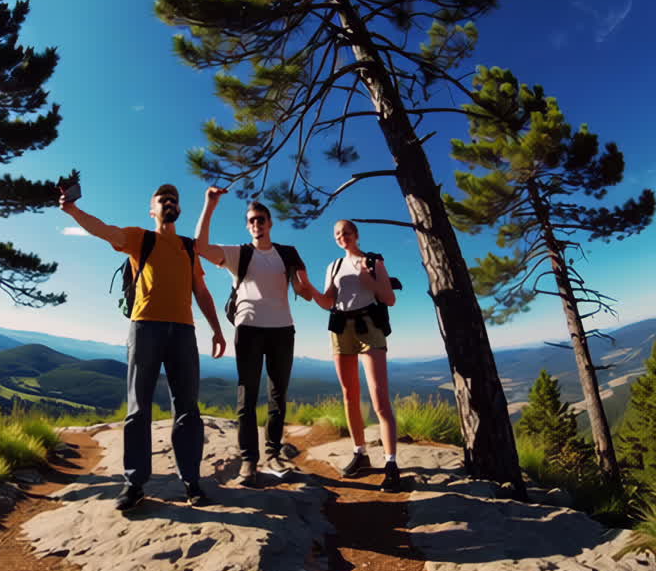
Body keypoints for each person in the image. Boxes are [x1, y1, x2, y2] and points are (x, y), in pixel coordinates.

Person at [60, 182, 227, 511]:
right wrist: (72, 210)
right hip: (145, 327)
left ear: (179, 209)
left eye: (174, 199)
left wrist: (217, 330)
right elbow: (103, 230)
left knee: (188, 409)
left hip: (183, 331)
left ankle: (191, 482)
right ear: (152, 210)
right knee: (139, 408)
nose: (169, 202)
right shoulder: (140, 238)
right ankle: (135, 484)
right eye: (163, 199)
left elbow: (201, 291)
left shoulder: (188, 247)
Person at [194, 186, 313, 487]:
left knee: (278, 396)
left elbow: (304, 291)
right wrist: (210, 205)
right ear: (248, 226)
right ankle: (249, 459)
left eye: (261, 219)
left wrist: (304, 286)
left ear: (270, 223)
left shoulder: (288, 253)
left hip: (282, 330)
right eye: (252, 220)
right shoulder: (240, 254)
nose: (257, 224)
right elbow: (201, 247)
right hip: (248, 329)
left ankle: (272, 454)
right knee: (246, 397)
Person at [312, 219, 401, 492]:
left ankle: (391, 463)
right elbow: (328, 301)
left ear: (356, 234)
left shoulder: (374, 261)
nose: (343, 237)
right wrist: (308, 289)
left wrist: (369, 281)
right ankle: (360, 453)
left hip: (369, 327)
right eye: (338, 234)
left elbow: (389, 299)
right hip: (341, 329)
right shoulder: (333, 266)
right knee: (349, 394)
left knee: (379, 397)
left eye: (347, 232)